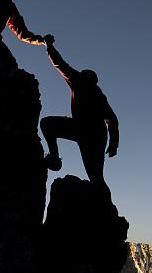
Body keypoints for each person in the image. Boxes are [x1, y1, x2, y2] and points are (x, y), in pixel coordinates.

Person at [39, 34, 119, 198]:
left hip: (90, 133)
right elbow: (112, 119)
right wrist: (113, 143)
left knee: (48, 124)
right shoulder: (94, 90)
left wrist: (49, 46)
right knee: (96, 177)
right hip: (91, 132)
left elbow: (59, 64)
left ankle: (54, 157)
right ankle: (54, 157)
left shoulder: (82, 83)